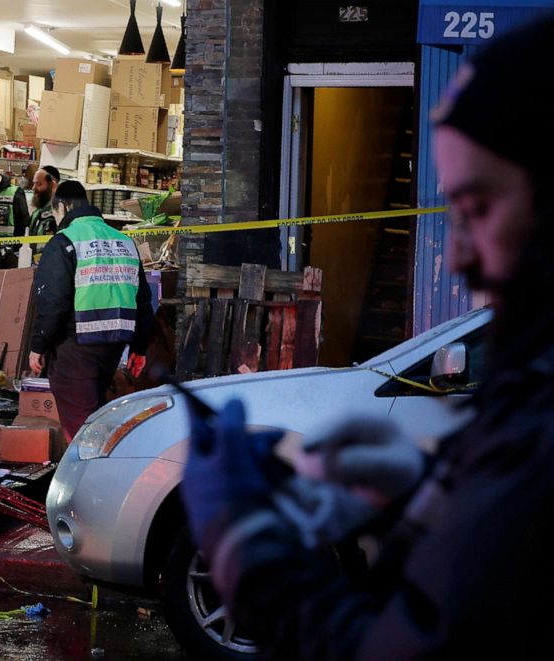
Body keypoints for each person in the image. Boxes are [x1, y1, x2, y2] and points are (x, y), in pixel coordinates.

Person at [181, 16, 554, 659]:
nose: (457, 253)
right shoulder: (530, 373)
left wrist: (244, 542)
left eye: (478, 208)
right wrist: (418, 496)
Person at [28, 180, 155, 442]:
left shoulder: (64, 241)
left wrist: (38, 345)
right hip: (114, 345)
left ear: (61, 206)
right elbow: (143, 300)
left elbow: (53, 302)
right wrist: (139, 348)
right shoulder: (124, 242)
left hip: (77, 345)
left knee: (81, 429)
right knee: (96, 413)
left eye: (54, 213)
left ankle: (89, 475)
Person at [28, 165, 60, 237]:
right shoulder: (36, 212)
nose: (33, 188)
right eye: (34, 183)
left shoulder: (60, 213)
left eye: (39, 184)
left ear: (52, 185)